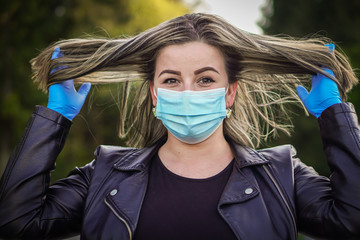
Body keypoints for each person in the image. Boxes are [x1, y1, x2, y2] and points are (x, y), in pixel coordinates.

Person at [0, 13, 359, 240]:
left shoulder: (282, 176)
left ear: (230, 92)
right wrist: (55, 118)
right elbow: (18, 224)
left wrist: (334, 114)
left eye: (205, 80)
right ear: (154, 94)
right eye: (171, 80)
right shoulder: (105, 175)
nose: (188, 92)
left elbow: (352, 222)